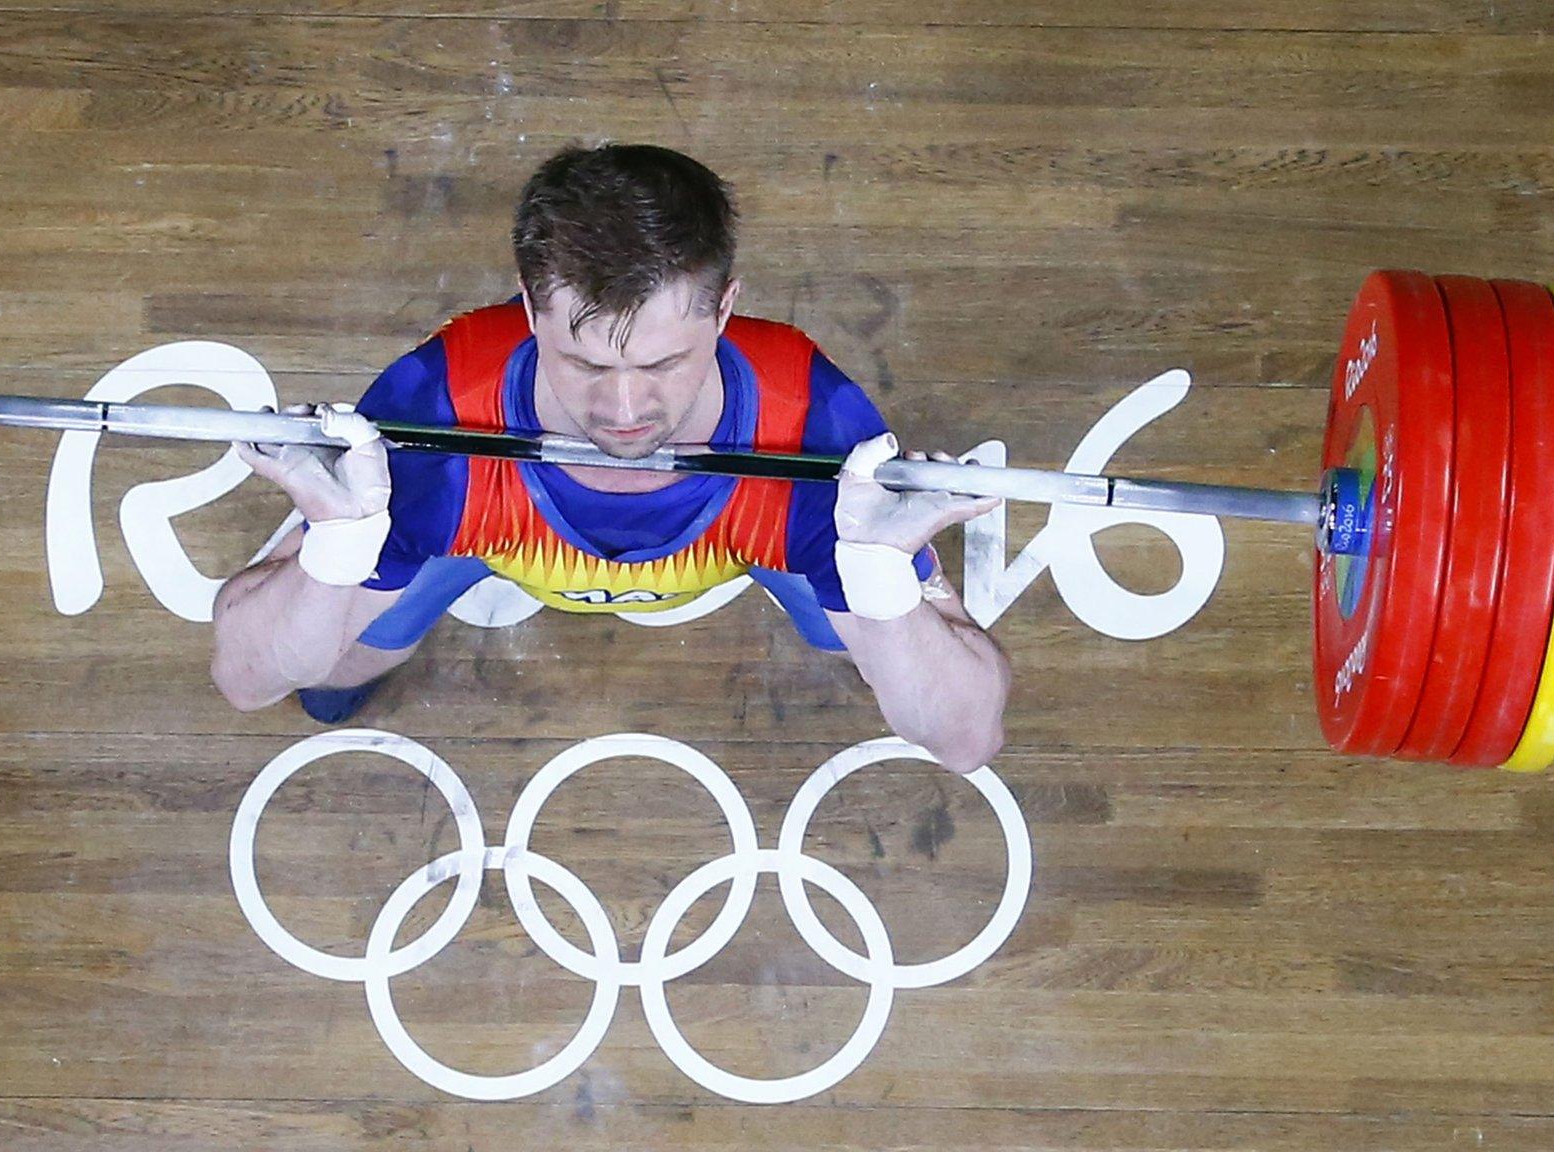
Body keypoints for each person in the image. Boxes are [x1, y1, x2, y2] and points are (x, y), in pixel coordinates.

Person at [211, 143, 1008, 772]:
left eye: (662, 365)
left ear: (725, 306)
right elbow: (245, 683)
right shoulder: (434, 415)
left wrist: (880, 582)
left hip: (753, 541)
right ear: (529, 307)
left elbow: (966, 740)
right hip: (483, 529)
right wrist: (335, 551)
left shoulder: (817, 432)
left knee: (876, 649)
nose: (623, 413)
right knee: (328, 675)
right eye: (586, 365)